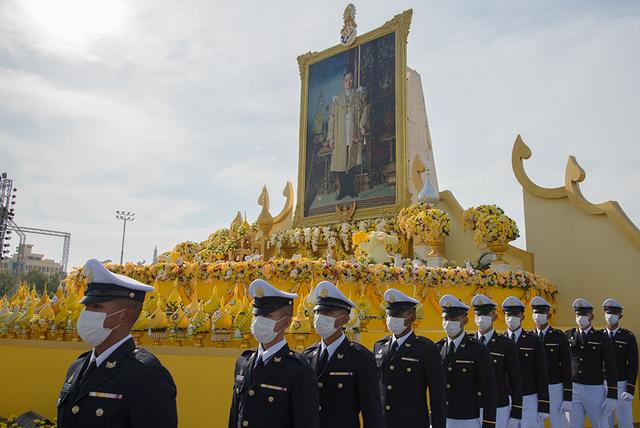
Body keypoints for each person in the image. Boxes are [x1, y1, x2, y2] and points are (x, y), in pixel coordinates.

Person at [56, 258, 177, 428]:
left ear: (126, 316)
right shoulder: (77, 367)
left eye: (97, 307)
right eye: (86, 307)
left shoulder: (147, 375)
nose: (87, 313)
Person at [228, 279, 319, 428]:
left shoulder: (299, 370)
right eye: (257, 315)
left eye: (267, 316)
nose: (258, 321)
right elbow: (235, 417)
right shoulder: (243, 362)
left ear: (286, 322)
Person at [303, 280, 383, 428]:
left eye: (327, 312)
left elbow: (372, 412)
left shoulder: (360, 358)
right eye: (317, 312)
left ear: (345, 319)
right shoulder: (307, 356)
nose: (320, 317)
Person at [373, 288, 446, 428]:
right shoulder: (380, 346)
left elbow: (437, 395)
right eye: (389, 314)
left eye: (397, 315)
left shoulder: (426, 349)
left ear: (412, 318)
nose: (391, 319)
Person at [436, 294, 497, 428]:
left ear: (465, 320)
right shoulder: (438, 347)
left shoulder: (478, 349)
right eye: (446, 318)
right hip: (442, 417)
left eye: (454, 318)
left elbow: (489, 388)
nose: (448, 322)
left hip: (467, 418)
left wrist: (489, 422)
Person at [470, 294, 522, 428]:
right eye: (478, 314)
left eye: (486, 314)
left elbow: (515, 379)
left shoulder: (505, 344)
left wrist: (516, 412)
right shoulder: (469, 343)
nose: (481, 318)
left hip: (499, 406)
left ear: (494, 316)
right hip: (472, 407)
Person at [565, 298, 617, 428]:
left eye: (584, 314)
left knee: (601, 424)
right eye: (578, 314)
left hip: (594, 389)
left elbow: (610, 366)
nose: (581, 317)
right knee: (573, 425)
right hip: (574, 388)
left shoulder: (601, 337)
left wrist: (612, 394)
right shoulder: (569, 335)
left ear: (591, 316)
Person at [501, 296, 549, 428]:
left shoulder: (533, 341)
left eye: (515, 314)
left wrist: (544, 404)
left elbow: (541, 373)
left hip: (529, 397)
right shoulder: (500, 341)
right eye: (508, 314)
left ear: (522, 316)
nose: (511, 318)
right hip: (507, 398)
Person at [327, 69, 370, 200]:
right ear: (343, 82)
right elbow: (332, 119)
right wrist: (331, 137)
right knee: (340, 163)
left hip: (353, 134)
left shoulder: (359, 95)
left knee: (351, 161)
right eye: (346, 80)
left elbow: (366, 109)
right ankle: (342, 190)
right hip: (340, 135)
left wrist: (362, 125)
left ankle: (351, 189)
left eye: (351, 79)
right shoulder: (337, 99)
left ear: (353, 80)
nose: (349, 82)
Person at [530, 296, 572, 428]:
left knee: (558, 422)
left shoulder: (559, 337)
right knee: (535, 422)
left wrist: (567, 396)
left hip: (554, 386)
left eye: (541, 312)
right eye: (536, 312)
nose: (538, 315)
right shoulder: (529, 337)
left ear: (548, 315)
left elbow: (567, 367)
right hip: (535, 387)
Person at [601, 298, 637, 428]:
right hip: (602, 384)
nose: (610, 316)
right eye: (607, 312)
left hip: (621, 383)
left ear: (620, 316)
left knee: (625, 420)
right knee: (605, 420)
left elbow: (633, 364)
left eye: (614, 313)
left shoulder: (628, 336)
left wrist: (630, 388)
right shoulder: (599, 336)